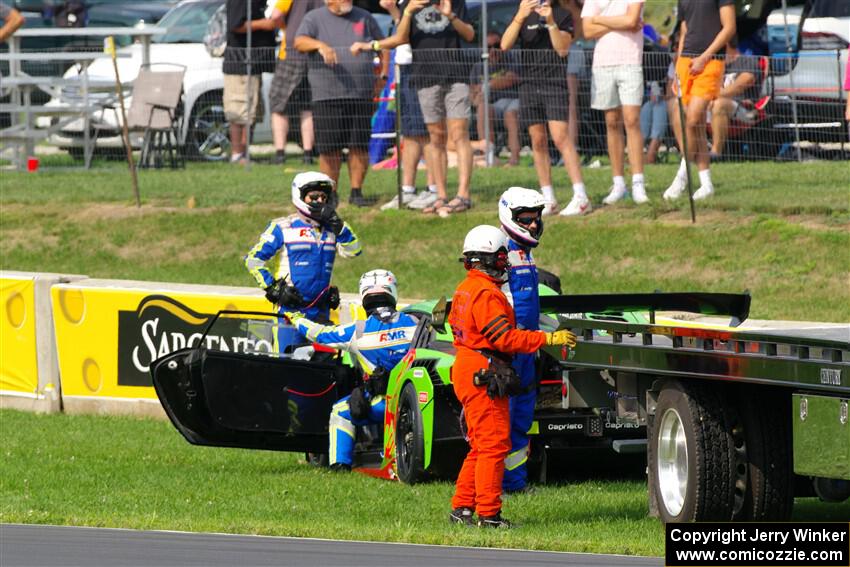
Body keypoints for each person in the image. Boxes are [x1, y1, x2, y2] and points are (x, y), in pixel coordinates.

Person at [448, 224, 576, 528]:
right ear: (487, 260)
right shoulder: (487, 294)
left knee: (480, 445)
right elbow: (504, 338)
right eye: (502, 258)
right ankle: (489, 515)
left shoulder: (465, 288)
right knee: (493, 445)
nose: (506, 264)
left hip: (469, 364)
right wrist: (546, 340)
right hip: (486, 369)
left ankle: (462, 508)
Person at [285, 269, 418, 472]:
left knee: (341, 410)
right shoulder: (416, 323)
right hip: (417, 400)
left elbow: (318, 333)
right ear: (392, 292)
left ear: (364, 295)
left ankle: (340, 466)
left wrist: (294, 316)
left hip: (385, 403)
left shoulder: (358, 330)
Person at [244, 171, 361, 352]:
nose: (320, 201)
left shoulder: (332, 229)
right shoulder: (282, 226)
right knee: (289, 368)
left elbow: (354, 251)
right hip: (291, 314)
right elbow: (253, 260)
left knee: (325, 369)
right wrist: (273, 288)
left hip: (322, 313)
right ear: (299, 196)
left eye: (324, 197)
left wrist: (339, 225)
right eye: (314, 197)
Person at [501, 0, 590, 217]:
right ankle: (548, 197)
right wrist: (520, 16)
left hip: (554, 83)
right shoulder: (523, 15)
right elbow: (504, 45)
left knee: (560, 137)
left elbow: (562, 49)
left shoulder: (562, 15)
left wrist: (550, 22)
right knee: (537, 141)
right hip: (529, 85)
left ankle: (581, 196)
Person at [294, 0, 385, 207]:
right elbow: (299, 42)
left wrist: (383, 76)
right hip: (326, 95)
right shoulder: (313, 19)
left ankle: (356, 192)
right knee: (329, 148)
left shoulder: (365, 16)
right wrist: (320, 45)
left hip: (360, 93)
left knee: (359, 146)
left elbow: (383, 46)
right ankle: (330, 194)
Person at [396, 0, 476, 216]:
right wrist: (409, 11)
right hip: (425, 77)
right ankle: (441, 195)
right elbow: (401, 39)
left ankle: (463, 195)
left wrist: (450, 16)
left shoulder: (455, 2)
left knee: (459, 133)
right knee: (435, 137)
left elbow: (470, 35)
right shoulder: (409, 5)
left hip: (456, 76)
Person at [497, 187, 547, 494]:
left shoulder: (525, 254)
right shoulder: (497, 252)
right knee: (502, 419)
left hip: (527, 349)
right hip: (507, 350)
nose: (533, 225)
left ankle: (514, 484)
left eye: (536, 219)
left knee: (522, 419)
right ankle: (492, 485)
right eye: (526, 219)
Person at [663, 0, 735, 201]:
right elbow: (685, 30)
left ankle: (682, 175)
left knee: (693, 119)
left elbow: (729, 28)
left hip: (711, 60)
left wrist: (705, 57)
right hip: (686, 61)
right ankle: (706, 183)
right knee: (697, 125)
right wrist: (678, 68)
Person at [582, 0, 648, 205]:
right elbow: (587, 30)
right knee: (611, 122)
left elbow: (631, 20)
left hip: (630, 61)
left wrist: (600, 19)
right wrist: (621, 22)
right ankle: (618, 182)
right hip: (602, 64)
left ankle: (638, 181)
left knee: (631, 120)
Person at [223, 0, 277, 165]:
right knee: (239, 111)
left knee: (252, 111)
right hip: (240, 64)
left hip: (253, 65)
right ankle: (238, 154)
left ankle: (245, 153)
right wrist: (264, 24)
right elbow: (235, 25)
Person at [268, 0, 321, 165]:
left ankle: (280, 153)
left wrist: (286, 27)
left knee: (278, 104)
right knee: (307, 107)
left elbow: (276, 15)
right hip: (315, 52)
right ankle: (307, 154)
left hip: (291, 52)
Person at [470, 31, 521, 166]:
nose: (493, 50)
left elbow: (510, 79)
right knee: (482, 109)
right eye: (489, 47)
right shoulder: (478, 67)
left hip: (512, 100)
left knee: (511, 115)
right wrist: (477, 98)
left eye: (497, 45)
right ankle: (488, 156)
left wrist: (487, 85)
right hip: (492, 104)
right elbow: (473, 93)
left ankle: (514, 160)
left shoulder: (511, 60)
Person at [709, 38, 761, 158]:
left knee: (720, 104)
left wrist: (715, 95)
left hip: (746, 110)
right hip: (714, 105)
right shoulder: (717, 65)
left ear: (725, 44)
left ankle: (715, 153)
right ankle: (690, 154)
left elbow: (742, 84)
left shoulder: (748, 61)